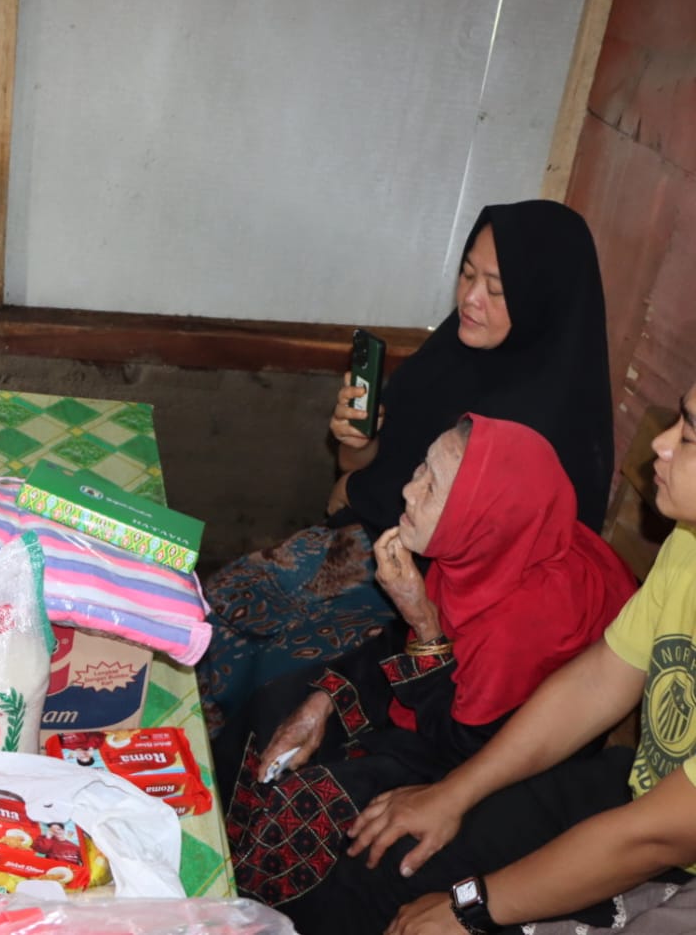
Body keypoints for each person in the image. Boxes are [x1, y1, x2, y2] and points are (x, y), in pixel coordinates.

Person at [197, 200, 614, 731]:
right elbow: (371, 467)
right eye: (466, 274)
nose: (470, 298)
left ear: (543, 298)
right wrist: (356, 444)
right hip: (360, 546)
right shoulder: (455, 352)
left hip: (418, 606)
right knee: (215, 604)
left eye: (497, 288)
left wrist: (359, 488)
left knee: (270, 679)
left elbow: (487, 582)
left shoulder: (546, 427)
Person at [212, 415, 634, 931]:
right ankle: (207, 870)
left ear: (481, 516)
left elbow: (462, 747)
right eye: (422, 469)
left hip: (478, 757)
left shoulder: (523, 625)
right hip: (439, 695)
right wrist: (325, 699)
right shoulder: (483, 552)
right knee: (277, 709)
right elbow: (399, 645)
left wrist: (422, 621)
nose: (409, 490)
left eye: (433, 485)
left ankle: (242, 919)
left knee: (312, 809)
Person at [341, 386, 696, 935]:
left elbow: (659, 835)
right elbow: (599, 682)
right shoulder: (689, 543)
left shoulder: (526, 617)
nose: (662, 446)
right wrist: (453, 793)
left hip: (668, 840)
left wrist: (470, 906)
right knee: (386, 862)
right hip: (641, 790)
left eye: (690, 435)